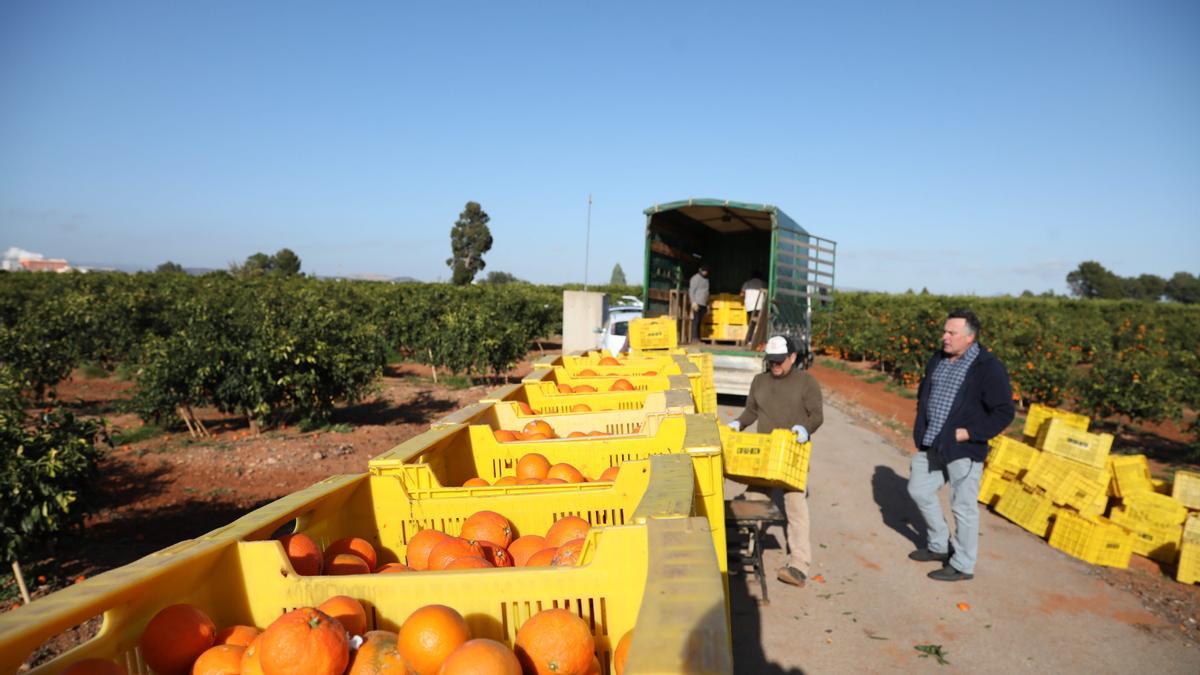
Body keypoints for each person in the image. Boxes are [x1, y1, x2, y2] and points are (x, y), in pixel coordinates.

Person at [906, 309, 1014, 582]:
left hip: (963, 449)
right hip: (932, 442)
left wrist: (969, 433)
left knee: (963, 507)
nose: (945, 337)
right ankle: (939, 545)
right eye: (945, 331)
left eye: (951, 332)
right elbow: (925, 393)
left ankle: (963, 564)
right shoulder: (938, 359)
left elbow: (1004, 412)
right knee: (918, 490)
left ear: (969, 337)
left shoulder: (988, 368)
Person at [727, 334, 823, 587]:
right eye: (771, 360)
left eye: (780, 360)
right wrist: (739, 423)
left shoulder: (806, 382)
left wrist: (805, 428)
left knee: (796, 509)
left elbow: (817, 415)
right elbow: (751, 411)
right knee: (752, 504)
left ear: (793, 357)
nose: (775, 365)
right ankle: (744, 554)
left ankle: (799, 565)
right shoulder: (759, 381)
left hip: (792, 456)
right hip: (765, 457)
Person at [688, 264, 711, 343]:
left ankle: (698, 337)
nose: (705, 272)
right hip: (697, 303)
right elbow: (691, 291)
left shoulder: (706, 280)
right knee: (696, 320)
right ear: (700, 270)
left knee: (700, 321)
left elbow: (707, 292)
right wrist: (693, 302)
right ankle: (694, 338)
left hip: (704, 303)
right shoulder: (695, 278)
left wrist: (708, 305)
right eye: (704, 271)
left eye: (706, 271)